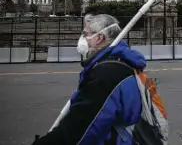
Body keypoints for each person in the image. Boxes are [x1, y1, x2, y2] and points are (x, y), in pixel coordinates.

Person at [33, 14, 147, 145]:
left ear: (99, 38)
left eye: (85, 34)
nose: (83, 39)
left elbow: (82, 128)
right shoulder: (119, 62)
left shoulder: (107, 73)